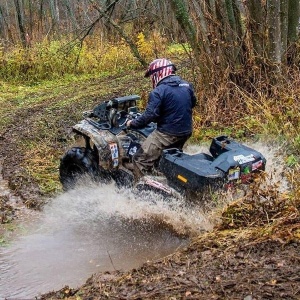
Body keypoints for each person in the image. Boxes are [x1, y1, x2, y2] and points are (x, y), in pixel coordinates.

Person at [126, 58, 197, 179]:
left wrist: (132, 123)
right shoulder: (187, 85)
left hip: (168, 134)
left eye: (151, 75)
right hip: (186, 131)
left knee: (139, 159)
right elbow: (192, 103)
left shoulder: (159, 91)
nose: (151, 79)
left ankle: (142, 190)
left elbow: (149, 116)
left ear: (158, 73)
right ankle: (166, 178)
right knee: (168, 158)